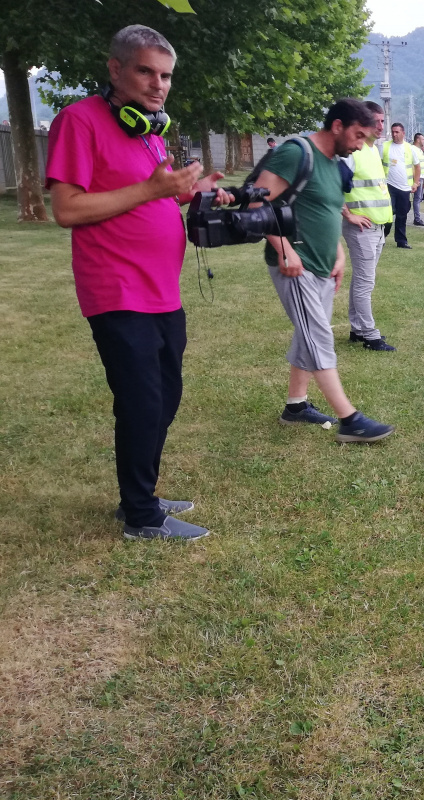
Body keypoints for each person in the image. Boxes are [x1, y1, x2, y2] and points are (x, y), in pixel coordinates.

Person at [46, 24, 231, 541]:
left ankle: (139, 494)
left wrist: (192, 194)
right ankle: (141, 517)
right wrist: (152, 188)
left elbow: (155, 196)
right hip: (116, 287)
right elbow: (67, 209)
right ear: (115, 69)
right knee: (142, 400)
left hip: (161, 290)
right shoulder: (78, 121)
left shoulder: (146, 129)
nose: (158, 85)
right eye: (146, 71)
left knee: (165, 395)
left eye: (166, 75)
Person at [252, 98, 395, 445]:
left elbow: (328, 210)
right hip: (295, 265)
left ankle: (296, 406)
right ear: (337, 126)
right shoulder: (296, 153)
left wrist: (338, 252)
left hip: (322, 265)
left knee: (309, 333)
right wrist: (284, 249)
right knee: (318, 337)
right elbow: (258, 204)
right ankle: (350, 419)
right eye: (358, 135)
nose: (360, 144)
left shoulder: (335, 162)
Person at [339, 101, 395, 351]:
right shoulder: (354, 152)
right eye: (376, 121)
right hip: (362, 228)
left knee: (362, 282)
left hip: (378, 227)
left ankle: (357, 329)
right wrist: (348, 215)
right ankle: (371, 336)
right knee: (365, 283)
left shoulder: (372, 150)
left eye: (383, 121)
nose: (381, 126)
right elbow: (332, 185)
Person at [381, 122, 419, 249]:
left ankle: (401, 241)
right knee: (388, 214)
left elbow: (417, 165)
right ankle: (382, 237)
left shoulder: (409, 148)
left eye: (397, 132)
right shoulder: (385, 146)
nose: (394, 134)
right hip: (388, 186)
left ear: (403, 133)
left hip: (404, 187)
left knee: (402, 215)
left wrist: (416, 182)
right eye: (393, 132)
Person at [411, 133, 424, 226]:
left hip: (421, 177)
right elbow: (413, 165)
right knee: (417, 199)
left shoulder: (419, 150)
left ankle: (417, 218)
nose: (423, 141)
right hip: (417, 178)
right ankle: (417, 219)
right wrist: (416, 179)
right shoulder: (413, 149)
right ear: (418, 140)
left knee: (418, 198)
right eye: (423, 139)